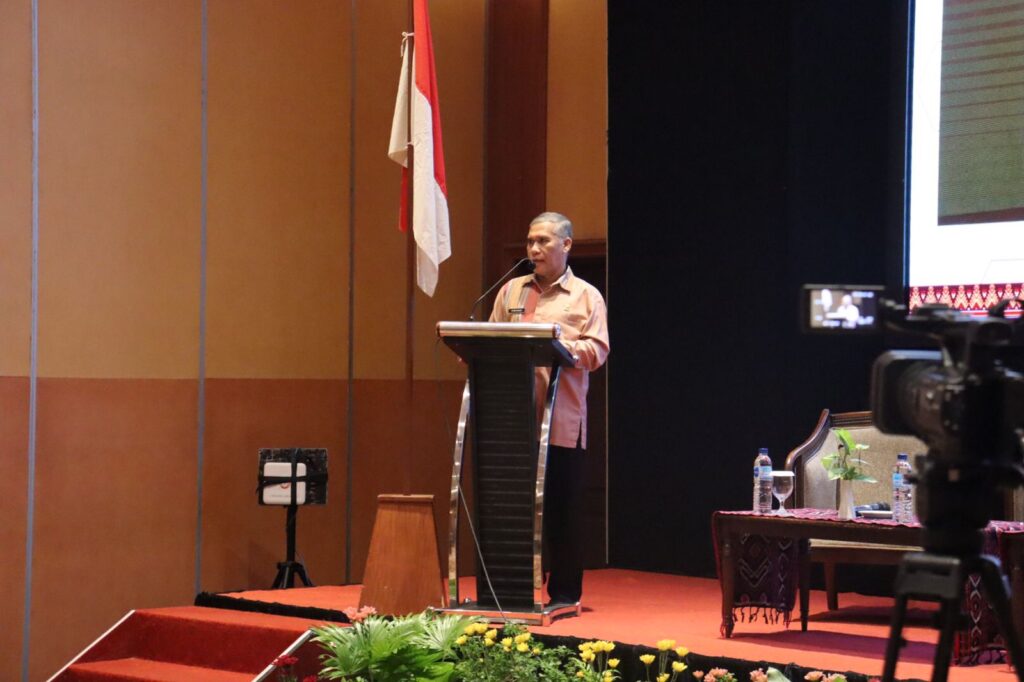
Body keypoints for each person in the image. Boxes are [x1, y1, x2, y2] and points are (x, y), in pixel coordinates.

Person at [489, 211, 610, 604]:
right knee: (513, 508)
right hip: (512, 419)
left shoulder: (586, 296)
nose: (534, 249)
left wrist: (559, 347)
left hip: (561, 420)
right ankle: (513, 587)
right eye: (530, 241)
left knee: (562, 509)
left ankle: (565, 593)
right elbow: (490, 338)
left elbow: (597, 350)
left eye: (543, 241)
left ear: (566, 244)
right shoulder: (511, 292)